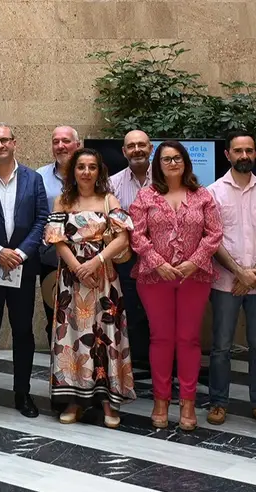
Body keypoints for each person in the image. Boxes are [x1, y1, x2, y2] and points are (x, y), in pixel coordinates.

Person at [129, 141, 223, 431]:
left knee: (189, 339)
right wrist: (158, 262)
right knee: (160, 339)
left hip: (194, 277)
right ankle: (160, 401)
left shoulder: (202, 195)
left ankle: (188, 402)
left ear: (186, 162)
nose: (172, 163)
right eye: (167, 158)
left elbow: (215, 233)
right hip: (155, 277)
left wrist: (193, 262)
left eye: (177, 158)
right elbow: (136, 235)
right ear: (158, 163)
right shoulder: (146, 195)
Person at [44, 148, 134, 428]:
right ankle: (74, 400)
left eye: (91, 167)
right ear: (73, 171)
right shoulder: (63, 200)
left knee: (104, 337)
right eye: (81, 166)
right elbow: (57, 240)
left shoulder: (109, 199)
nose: (86, 172)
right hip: (72, 282)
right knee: (73, 336)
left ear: (99, 171)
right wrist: (78, 269)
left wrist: (94, 262)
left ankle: (107, 401)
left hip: (104, 279)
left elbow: (122, 238)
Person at [0, 123, 48, 418]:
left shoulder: (33, 178)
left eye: (5, 140)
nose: (0, 145)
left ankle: (22, 394)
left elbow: (42, 219)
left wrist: (21, 252)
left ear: (14, 143)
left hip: (23, 268)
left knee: (23, 332)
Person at [208, 131, 256, 428]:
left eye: (249, 151)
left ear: (255, 154)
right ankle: (218, 402)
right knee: (221, 347)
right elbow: (212, 239)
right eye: (237, 151)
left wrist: (253, 274)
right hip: (225, 283)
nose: (244, 156)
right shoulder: (213, 192)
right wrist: (239, 273)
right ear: (227, 154)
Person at [108, 130, 153, 370]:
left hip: (162, 258)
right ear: (124, 151)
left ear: (151, 148)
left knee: (158, 313)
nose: (137, 150)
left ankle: (161, 364)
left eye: (142, 145)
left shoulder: (167, 179)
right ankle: (136, 363)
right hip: (126, 258)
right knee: (131, 310)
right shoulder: (112, 184)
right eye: (131, 146)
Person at [36, 126, 82, 343]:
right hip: (51, 260)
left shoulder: (91, 174)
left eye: (66, 141)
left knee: (85, 317)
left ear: (78, 145)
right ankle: (58, 374)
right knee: (54, 318)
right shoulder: (39, 177)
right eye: (56, 142)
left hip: (87, 261)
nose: (61, 146)